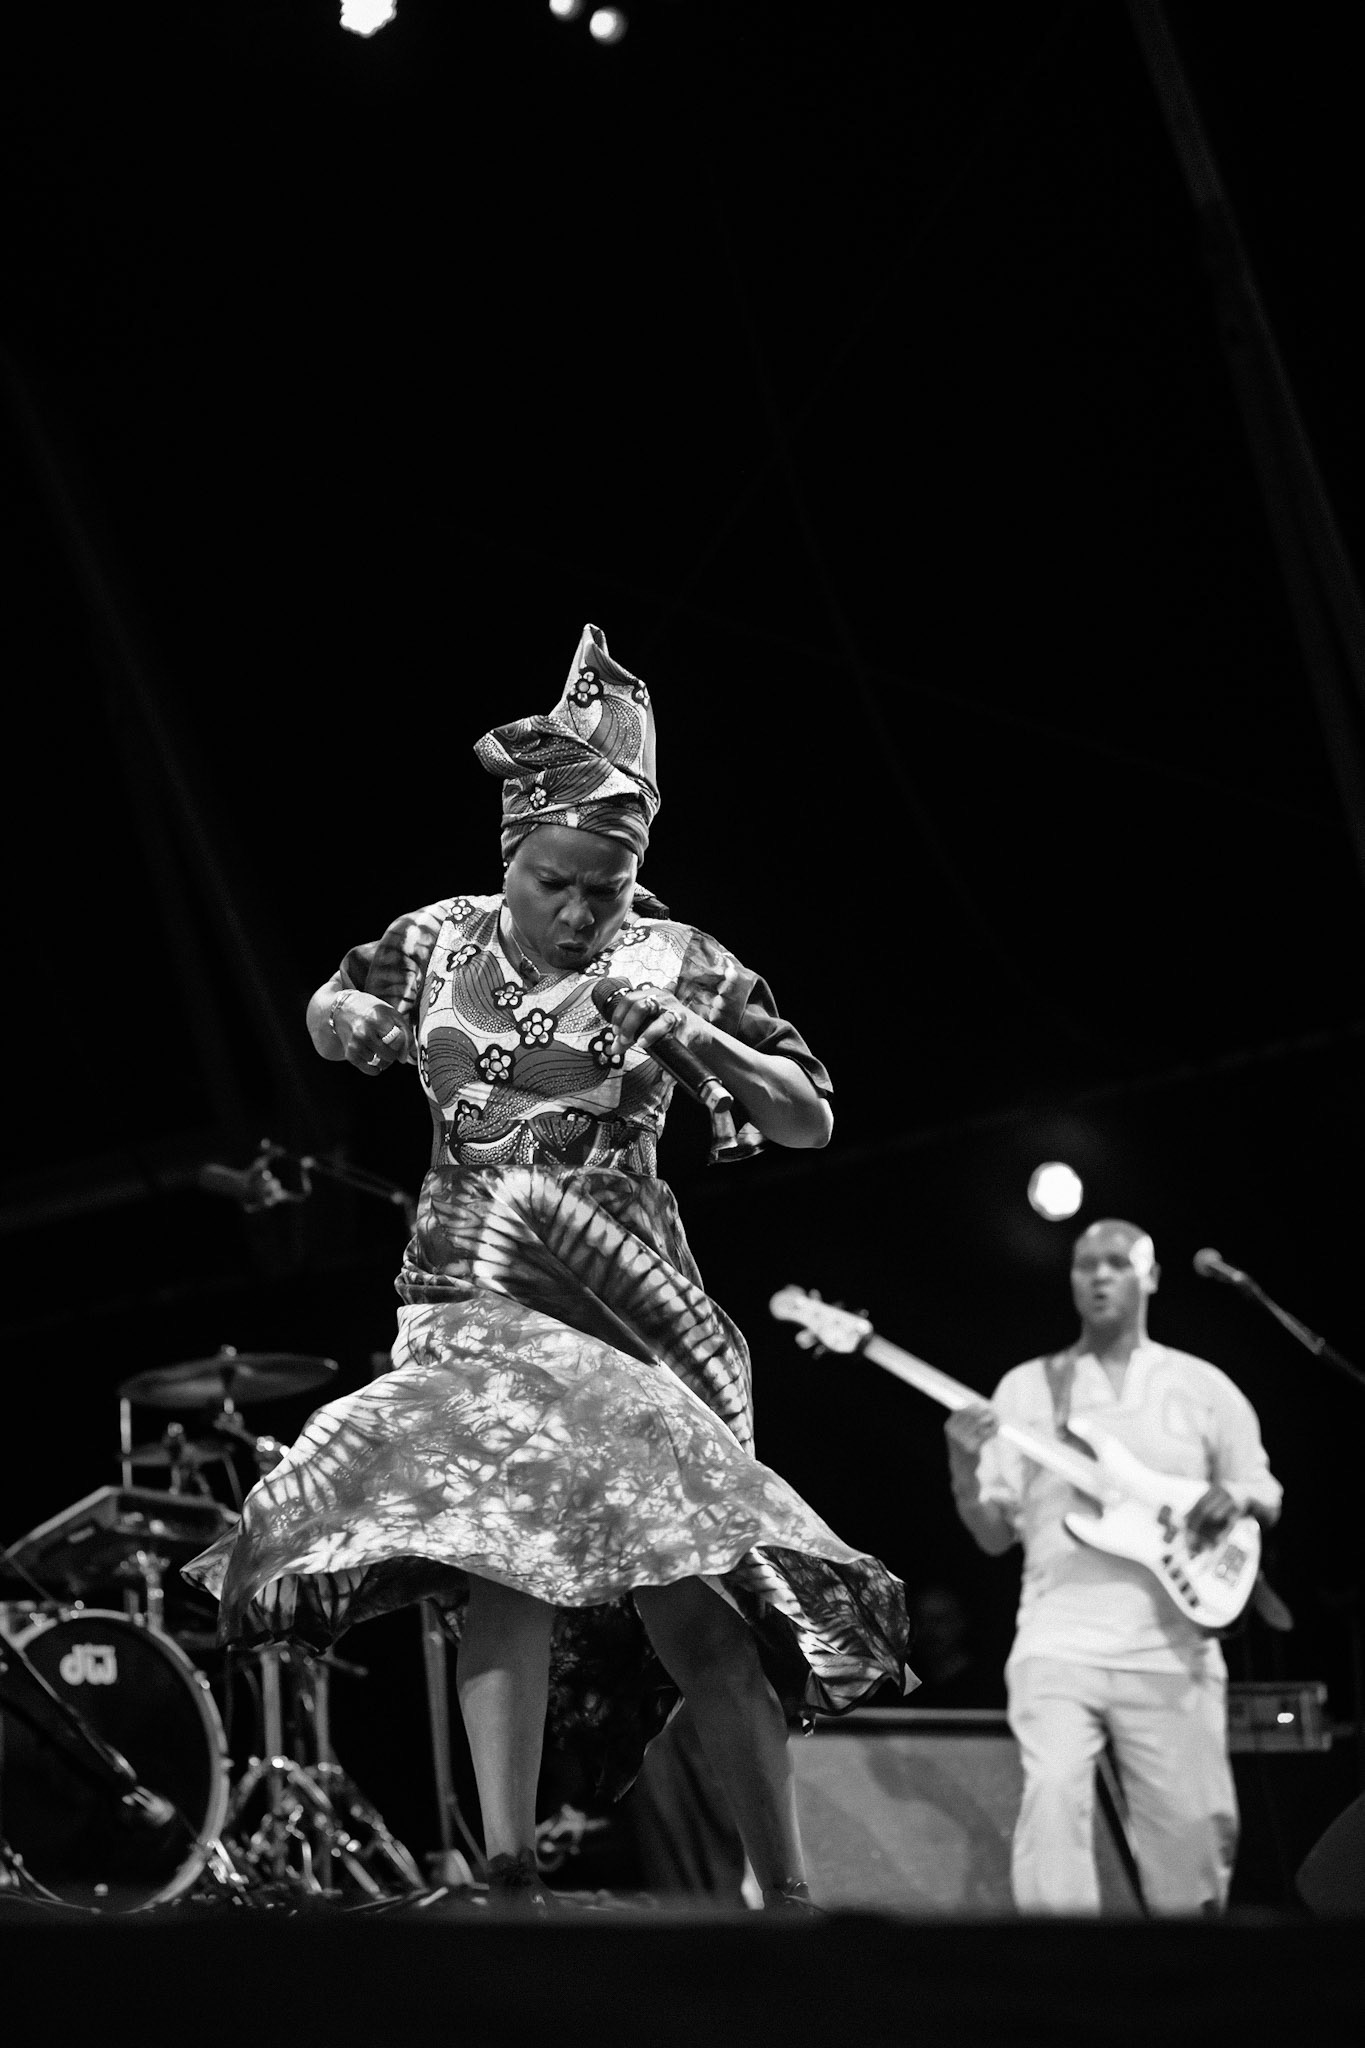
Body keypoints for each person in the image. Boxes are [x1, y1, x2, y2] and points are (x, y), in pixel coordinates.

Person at [186, 623, 913, 1907]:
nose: (578, 911)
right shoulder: (440, 938)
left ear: (640, 877)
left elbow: (809, 1112)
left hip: (624, 1325)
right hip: (464, 1308)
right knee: (491, 1560)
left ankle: (787, 1891)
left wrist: (708, 1044)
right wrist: (339, 1019)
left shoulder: (683, 962)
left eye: (605, 888)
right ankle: (507, 1866)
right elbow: (331, 1001)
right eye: (554, 881)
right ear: (509, 856)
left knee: (691, 1607)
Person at [944, 1217, 1281, 1916]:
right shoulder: (1026, 1389)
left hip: (1172, 1646)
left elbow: (1263, 1488)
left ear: (1148, 1277)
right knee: (1052, 1801)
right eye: (1084, 1264)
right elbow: (990, 1537)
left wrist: (1237, 1496)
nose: (1098, 1275)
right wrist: (961, 1463)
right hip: (1057, 1639)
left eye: (1116, 1263)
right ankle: (1063, 1980)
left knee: (1190, 1844)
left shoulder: (1201, 1385)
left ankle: (1188, 1997)